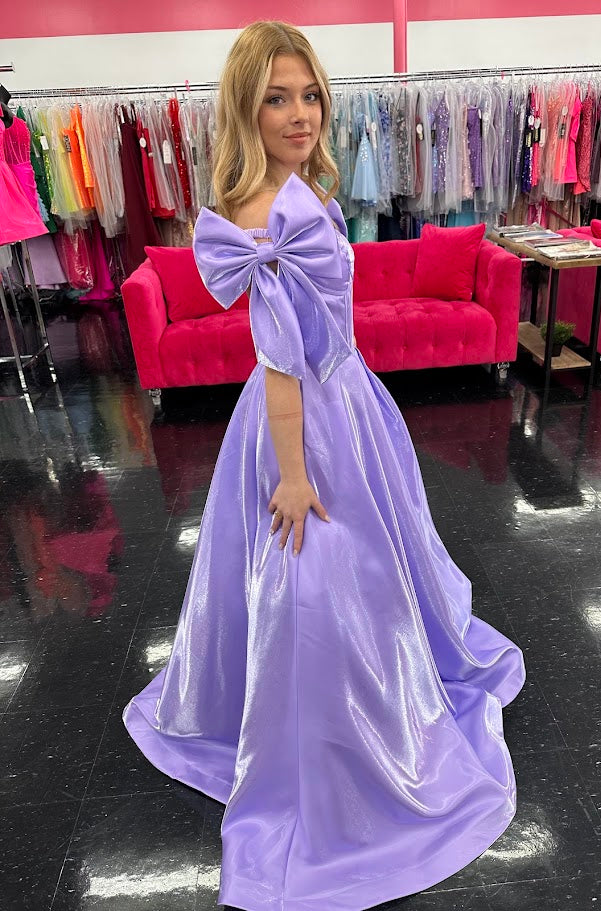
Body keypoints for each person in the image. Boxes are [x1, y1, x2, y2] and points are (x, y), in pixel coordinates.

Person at [123, 20, 526, 911]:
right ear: (245, 108)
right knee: (313, 582)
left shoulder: (291, 187)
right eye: (277, 99)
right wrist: (294, 472)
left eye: (308, 95)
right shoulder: (266, 211)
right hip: (304, 419)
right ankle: (324, 742)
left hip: (341, 394)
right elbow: (278, 360)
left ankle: (332, 693)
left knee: (354, 567)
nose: (300, 114)